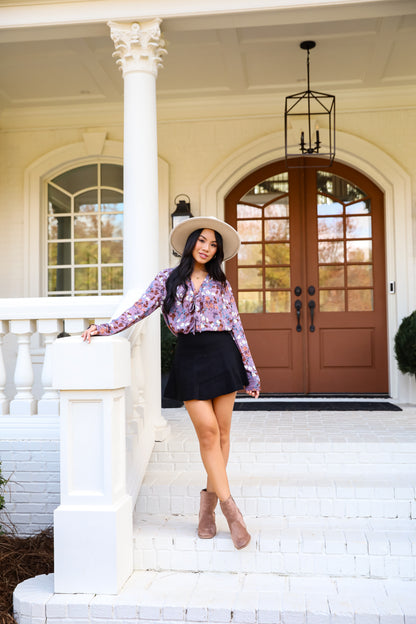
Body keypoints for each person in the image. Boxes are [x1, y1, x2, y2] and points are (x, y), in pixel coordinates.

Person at [81, 216, 260, 549]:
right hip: (190, 358)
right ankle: (232, 511)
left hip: (223, 354)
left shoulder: (220, 283)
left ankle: (206, 512)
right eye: (202, 240)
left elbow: (236, 326)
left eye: (213, 244)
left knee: (222, 434)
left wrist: (250, 369)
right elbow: (138, 310)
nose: (207, 248)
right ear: (190, 242)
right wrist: (104, 328)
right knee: (207, 432)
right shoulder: (166, 280)